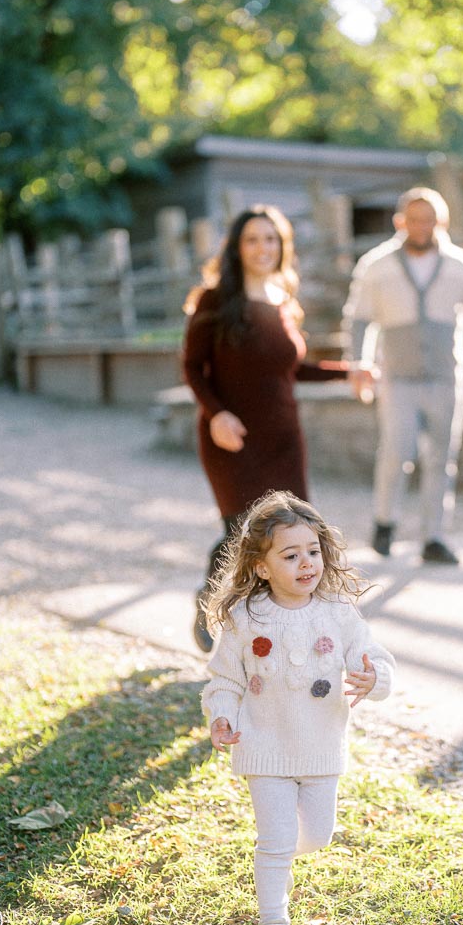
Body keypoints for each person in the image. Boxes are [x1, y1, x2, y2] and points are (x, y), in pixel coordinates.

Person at [200, 489, 395, 925]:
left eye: (313, 551)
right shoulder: (247, 618)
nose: (306, 563)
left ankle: (281, 860)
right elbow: (223, 680)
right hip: (263, 747)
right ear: (262, 567)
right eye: (291, 555)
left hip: (321, 747)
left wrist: (375, 679)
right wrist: (221, 715)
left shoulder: (338, 614)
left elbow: (378, 659)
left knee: (318, 836)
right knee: (275, 840)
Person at [182, 206, 347, 652]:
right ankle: (209, 601)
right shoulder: (215, 299)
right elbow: (192, 367)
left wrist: (348, 371)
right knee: (242, 529)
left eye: (270, 239)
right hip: (231, 436)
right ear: (237, 248)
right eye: (252, 239)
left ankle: (278, 628)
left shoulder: (282, 298)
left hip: (283, 437)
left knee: (292, 534)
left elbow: (290, 369)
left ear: (282, 246)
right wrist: (216, 413)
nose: (262, 248)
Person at [343, 186, 463, 565]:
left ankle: (434, 536)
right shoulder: (377, 265)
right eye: (413, 219)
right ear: (401, 221)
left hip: (446, 377)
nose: (421, 226)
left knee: (441, 458)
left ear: (441, 222)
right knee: (396, 451)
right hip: (398, 378)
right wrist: (359, 364)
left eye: (429, 219)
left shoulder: (459, 265)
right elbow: (360, 318)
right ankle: (385, 521)